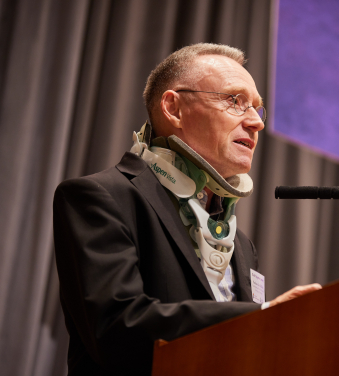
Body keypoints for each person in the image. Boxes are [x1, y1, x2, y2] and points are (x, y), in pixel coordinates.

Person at [53, 43, 321, 376]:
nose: (256, 123)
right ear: (174, 108)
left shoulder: (241, 246)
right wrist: (263, 317)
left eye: (257, 108)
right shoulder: (100, 197)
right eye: (235, 101)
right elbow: (118, 328)